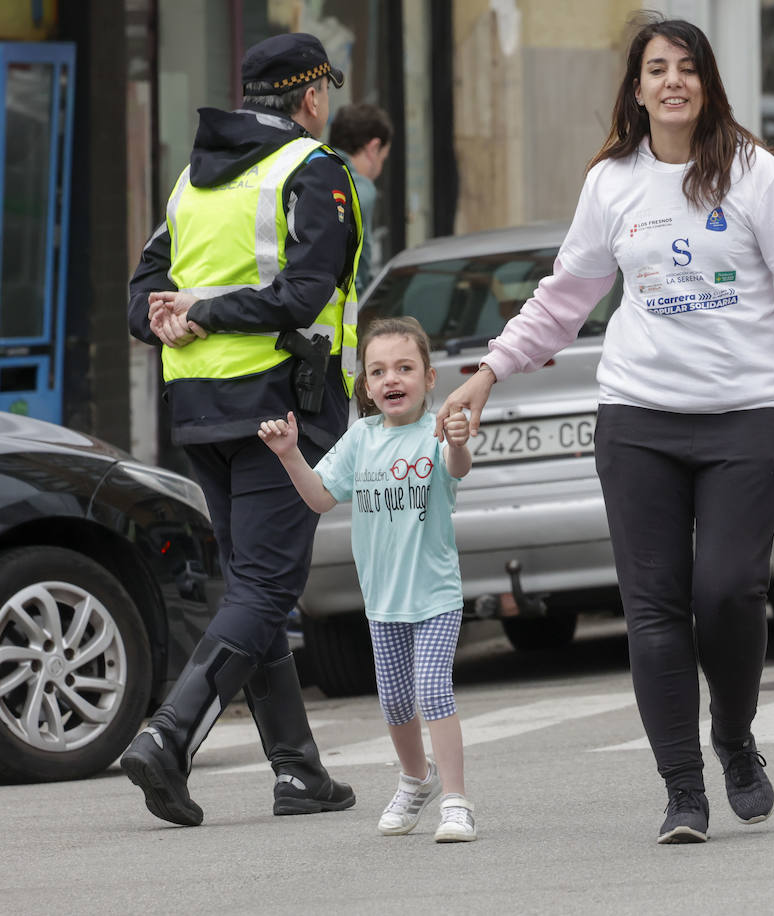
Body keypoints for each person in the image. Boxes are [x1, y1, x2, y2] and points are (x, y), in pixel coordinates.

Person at [434, 14, 774, 845]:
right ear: (636, 88)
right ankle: (682, 790)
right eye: (656, 68)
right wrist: (488, 373)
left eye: (687, 68)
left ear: (706, 84)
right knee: (653, 607)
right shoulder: (612, 184)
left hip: (748, 417)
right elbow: (563, 298)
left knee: (729, 590)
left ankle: (733, 736)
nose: (672, 82)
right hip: (638, 419)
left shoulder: (754, 175)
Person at [122, 32, 362, 827]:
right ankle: (170, 735)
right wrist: (202, 311)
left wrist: (174, 318)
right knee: (264, 588)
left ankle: (298, 771)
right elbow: (302, 294)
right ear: (312, 97)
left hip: (199, 412)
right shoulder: (312, 170)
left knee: (254, 588)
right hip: (276, 408)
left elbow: (142, 297)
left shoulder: (192, 182)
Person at [258, 316, 477, 843]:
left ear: (429, 378)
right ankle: (414, 779)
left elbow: (459, 466)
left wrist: (459, 437)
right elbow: (320, 497)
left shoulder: (436, 430)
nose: (391, 379)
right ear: (366, 387)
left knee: (431, 689)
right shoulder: (361, 437)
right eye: (378, 371)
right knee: (396, 700)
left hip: (435, 594)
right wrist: (290, 455)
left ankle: (456, 800)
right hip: (382, 601)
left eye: (404, 367)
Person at [328, 103, 393, 294]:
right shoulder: (360, 189)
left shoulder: (312, 171)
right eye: (384, 158)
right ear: (373, 149)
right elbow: (359, 272)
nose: (380, 168)